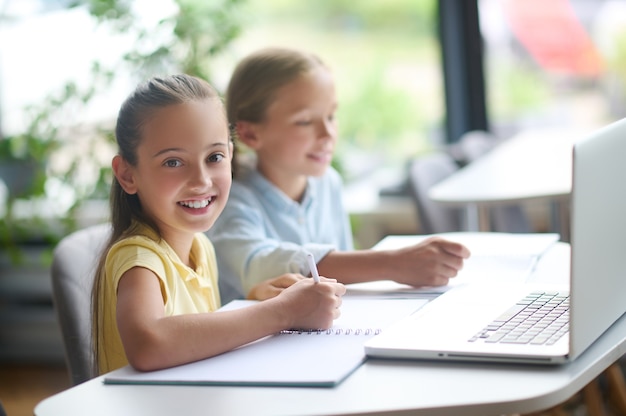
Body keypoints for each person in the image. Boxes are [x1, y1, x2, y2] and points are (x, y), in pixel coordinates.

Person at [91, 74, 346, 375]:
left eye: (214, 157)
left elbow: (195, 338)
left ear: (231, 155)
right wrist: (281, 312)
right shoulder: (139, 259)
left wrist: (256, 302)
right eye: (173, 162)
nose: (201, 181)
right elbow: (150, 345)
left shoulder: (200, 247)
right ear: (127, 175)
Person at [207, 47, 471, 304]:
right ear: (251, 134)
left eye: (331, 116)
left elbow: (343, 280)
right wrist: (392, 264)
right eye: (305, 121)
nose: (327, 133)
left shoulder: (327, 183)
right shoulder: (229, 201)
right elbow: (259, 265)